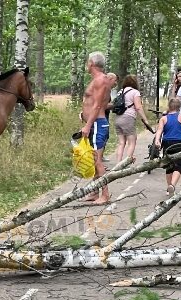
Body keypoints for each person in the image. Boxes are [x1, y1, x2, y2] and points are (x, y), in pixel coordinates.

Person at [80, 52, 112, 205]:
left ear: (91, 63)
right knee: (93, 159)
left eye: (87, 62)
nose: (87, 64)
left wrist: (88, 124)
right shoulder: (99, 80)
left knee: (96, 159)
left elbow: (99, 105)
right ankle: (94, 191)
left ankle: (105, 195)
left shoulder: (100, 80)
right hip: (95, 122)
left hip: (97, 123)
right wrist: (84, 115)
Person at [153, 98, 181, 196]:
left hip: (167, 143)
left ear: (169, 106)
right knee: (178, 165)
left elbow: (159, 131)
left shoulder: (164, 118)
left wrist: (157, 140)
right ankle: (172, 185)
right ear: (179, 107)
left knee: (168, 166)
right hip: (178, 143)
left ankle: (169, 188)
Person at [112, 74, 152, 165]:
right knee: (132, 141)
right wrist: (145, 119)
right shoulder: (135, 92)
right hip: (128, 118)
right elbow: (138, 107)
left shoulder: (120, 92)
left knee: (121, 143)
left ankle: (118, 164)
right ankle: (126, 163)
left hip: (118, 118)